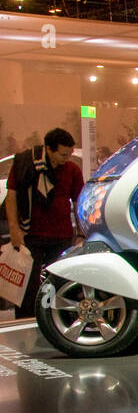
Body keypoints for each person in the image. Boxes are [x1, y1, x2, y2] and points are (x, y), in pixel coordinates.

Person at [4, 127, 84, 317]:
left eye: (70, 154)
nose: (66, 159)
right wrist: (14, 229)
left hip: (61, 236)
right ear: (48, 149)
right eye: (63, 154)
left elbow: (78, 201)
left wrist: (81, 233)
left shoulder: (72, 170)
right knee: (27, 287)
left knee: (59, 284)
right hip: (30, 235)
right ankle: (26, 321)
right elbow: (12, 197)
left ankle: (55, 320)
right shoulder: (25, 165)